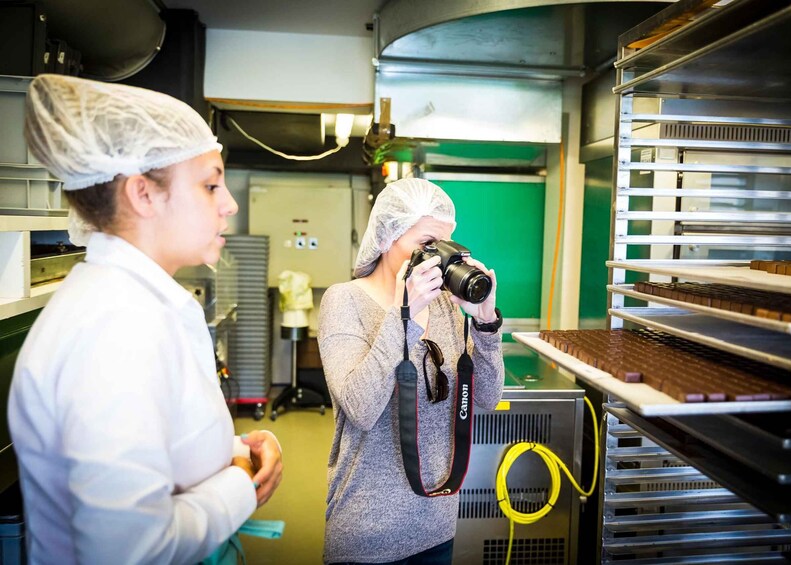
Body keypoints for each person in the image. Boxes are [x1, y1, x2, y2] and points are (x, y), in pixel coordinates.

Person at [7, 75, 283, 563]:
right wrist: (240, 481)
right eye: (210, 184)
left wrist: (232, 448)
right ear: (144, 195)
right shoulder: (115, 329)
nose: (229, 204)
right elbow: (130, 550)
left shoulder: (136, 303)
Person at [318, 178, 505, 564]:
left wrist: (486, 324)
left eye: (446, 245)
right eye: (426, 245)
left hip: (437, 520)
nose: (439, 258)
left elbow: (487, 397)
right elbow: (361, 409)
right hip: (367, 532)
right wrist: (406, 314)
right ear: (387, 237)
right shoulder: (344, 301)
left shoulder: (446, 308)